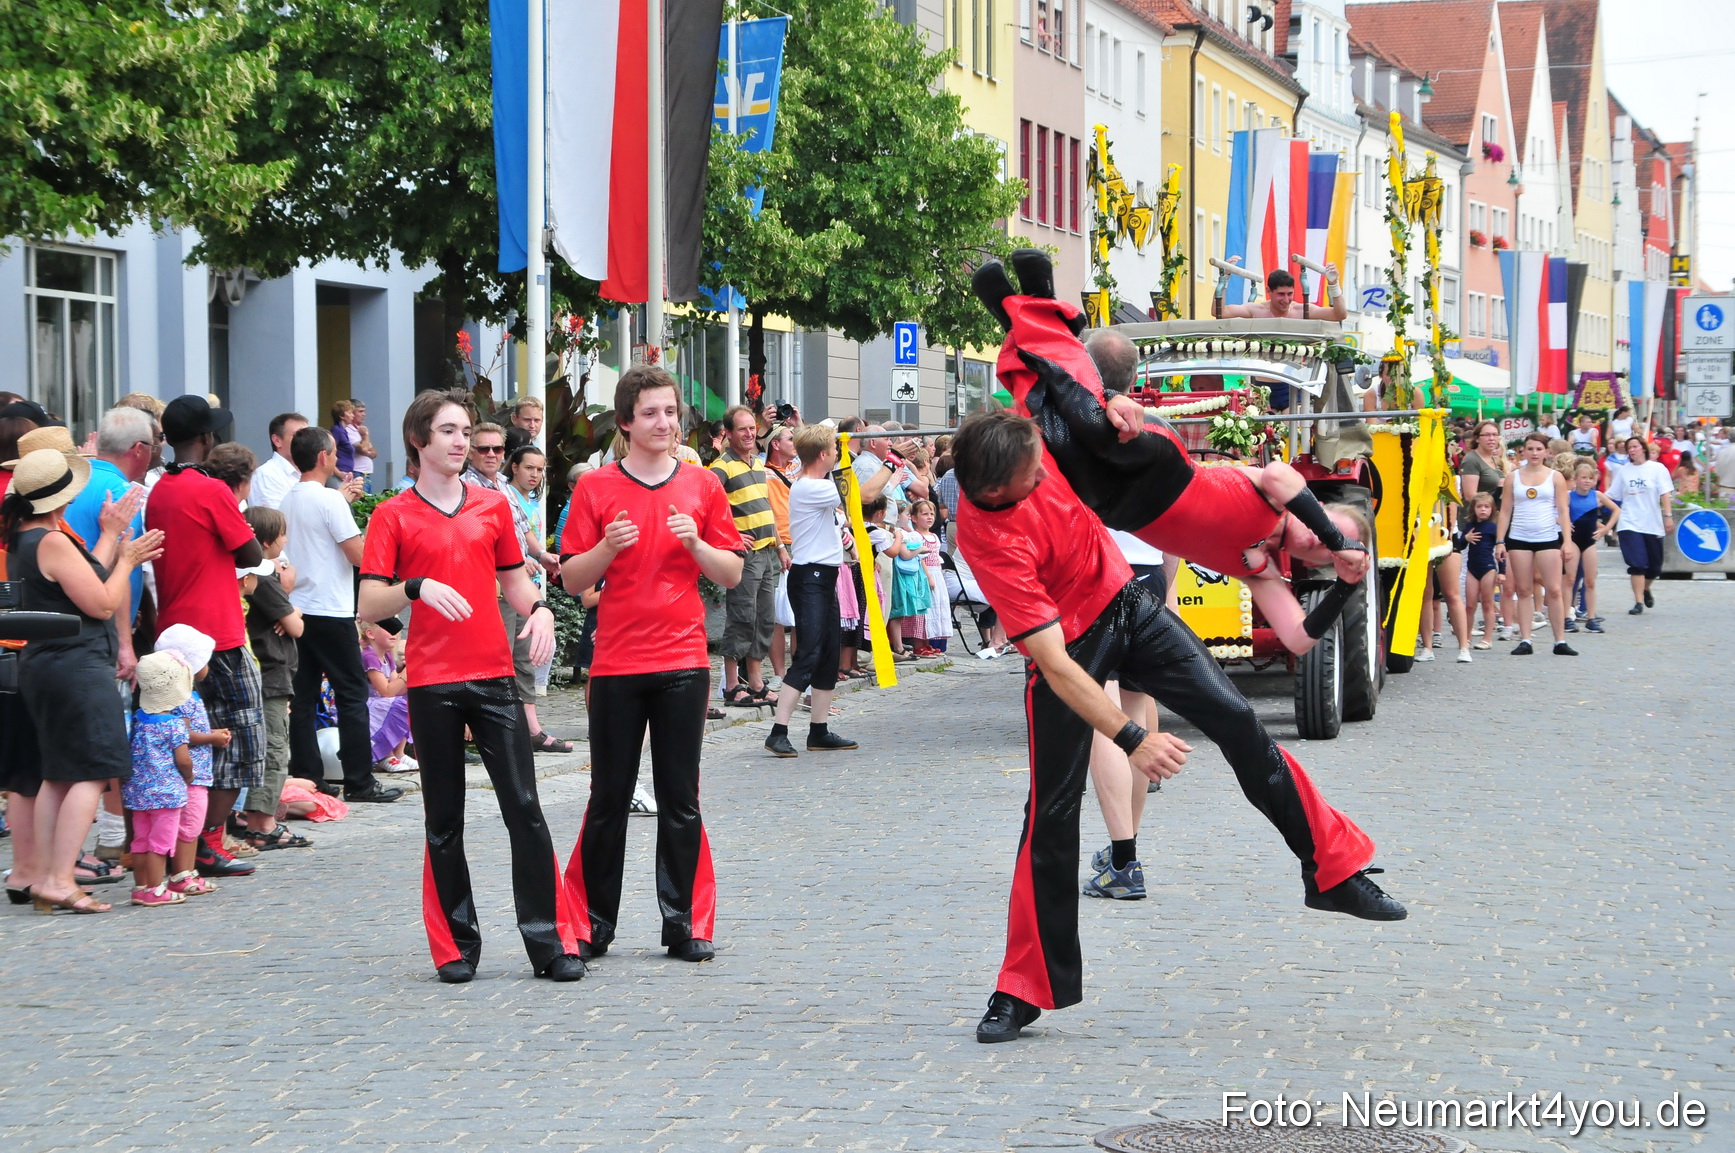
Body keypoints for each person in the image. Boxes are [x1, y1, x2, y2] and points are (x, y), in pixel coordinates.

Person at [949, 411, 1403, 1044]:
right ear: (997, 490)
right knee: (1049, 814)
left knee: (1242, 725)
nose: (1048, 477)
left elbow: (1066, 366)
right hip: (1070, 649)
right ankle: (1022, 987)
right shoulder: (990, 538)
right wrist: (1133, 737)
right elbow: (1052, 664)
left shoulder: (1031, 445)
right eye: (1035, 477)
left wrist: (1120, 407)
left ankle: (1331, 871)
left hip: (1129, 603)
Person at [970, 258, 1373, 657]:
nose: (1320, 543)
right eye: (1327, 531)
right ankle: (1035, 299)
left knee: (1053, 434)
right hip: (1160, 466)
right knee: (1088, 418)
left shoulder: (1260, 571)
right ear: (1320, 510)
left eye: (1323, 552)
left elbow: (1300, 640)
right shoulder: (1280, 497)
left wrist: (1345, 583)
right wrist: (1338, 542)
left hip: (1120, 508)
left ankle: (1019, 318)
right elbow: (1281, 477)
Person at [358, 388, 583, 984]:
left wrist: (540, 611)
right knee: (444, 818)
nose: (461, 443)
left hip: (492, 678)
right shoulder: (393, 515)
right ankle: (456, 945)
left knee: (525, 810)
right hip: (432, 682)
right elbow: (367, 601)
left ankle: (550, 942)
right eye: (449, 432)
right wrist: (415, 588)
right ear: (419, 441)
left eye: (466, 432)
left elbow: (516, 582)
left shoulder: (489, 507)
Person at [560, 365, 745, 963]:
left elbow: (732, 573)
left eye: (670, 411)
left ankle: (684, 923)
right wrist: (605, 549)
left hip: (684, 661)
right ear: (625, 423)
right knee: (608, 796)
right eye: (650, 413)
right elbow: (570, 578)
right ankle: (592, 924)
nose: (663, 422)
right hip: (616, 662)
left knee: (679, 796)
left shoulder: (703, 486)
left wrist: (696, 544)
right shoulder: (594, 488)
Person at [2, 448, 164, 914]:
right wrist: (129, 560)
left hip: (49, 665)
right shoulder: (51, 541)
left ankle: (51, 875)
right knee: (93, 772)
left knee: (57, 776)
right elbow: (98, 601)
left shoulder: (29, 537)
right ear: (63, 498)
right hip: (75, 665)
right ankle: (57, 878)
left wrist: (111, 535)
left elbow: (81, 579)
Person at [146, 394, 271, 875]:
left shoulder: (161, 489)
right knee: (240, 738)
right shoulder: (212, 490)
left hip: (173, 628)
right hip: (217, 632)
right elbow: (249, 552)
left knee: (190, 737)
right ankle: (207, 842)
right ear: (205, 438)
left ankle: (182, 842)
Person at [281, 426, 402, 804]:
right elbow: (358, 554)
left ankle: (308, 777)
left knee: (302, 697)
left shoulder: (287, 498)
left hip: (298, 609)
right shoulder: (330, 501)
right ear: (322, 457)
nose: (337, 458)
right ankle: (359, 780)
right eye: (334, 453)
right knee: (351, 694)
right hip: (330, 609)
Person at [464, 422, 569, 753]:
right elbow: (473, 542)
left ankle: (530, 729)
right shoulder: (465, 486)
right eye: (484, 448)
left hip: (519, 585)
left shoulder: (506, 489)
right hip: (491, 587)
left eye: (497, 449)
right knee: (497, 659)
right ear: (471, 451)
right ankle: (491, 733)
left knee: (523, 658)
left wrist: (541, 554)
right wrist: (510, 561)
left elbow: (522, 530)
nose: (491, 454)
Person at [764, 423, 858, 758]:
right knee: (809, 653)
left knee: (829, 653)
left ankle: (818, 730)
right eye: (833, 449)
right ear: (823, 455)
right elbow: (861, 494)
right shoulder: (809, 487)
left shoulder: (820, 483)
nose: (836, 454)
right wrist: (891, 463)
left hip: (825, 577)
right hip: (810, 578)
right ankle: (779, 730)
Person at [61, 407, 154, 685]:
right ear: (139, 449)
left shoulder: (74, 479)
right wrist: (125, 646)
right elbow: (119, 567)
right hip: (100, 625)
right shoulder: (123, 493)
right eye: (154, 444)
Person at [239, 505, 311, 848]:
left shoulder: (259, 578)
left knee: (270, 747)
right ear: (267, 540)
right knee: (274, 750)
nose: (286, 540)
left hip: (270, 677)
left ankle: (257, 818)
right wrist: (292, 604)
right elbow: (296, 626)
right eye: (282, 534)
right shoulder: (264, 580)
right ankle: (263, 825)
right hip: (271, 677)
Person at [151, 624, 239, 886]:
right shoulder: (181, 698)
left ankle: (184, 874)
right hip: (191, 776)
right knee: (189, 828)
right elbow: (183, 734)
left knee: (186, 827)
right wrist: (213, 737)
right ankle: (184, 875)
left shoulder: (175, 695)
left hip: (189, 775)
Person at [711, 405, 783, 707]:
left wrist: (779, 546)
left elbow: (766, 508)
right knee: (741, 616)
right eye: (742, 429)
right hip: (745, 555)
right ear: (728, 433)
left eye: (752, 428)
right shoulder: (721, 467)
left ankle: (755, 680)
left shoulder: (757, 464)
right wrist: (729, 537)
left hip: (767, 551)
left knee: (764, 618)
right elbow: (709, 510)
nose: (749, 433)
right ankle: (731, 684)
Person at [126, 651, 198, 907]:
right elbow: (183, 759)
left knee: (140, 840)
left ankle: (140, 887)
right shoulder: (175, 725)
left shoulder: (139, 720)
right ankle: (157, 889)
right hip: (167, 793)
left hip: (138, 792)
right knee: (160, 843)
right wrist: (189, 777)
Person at [1495, 433, 1577, 656]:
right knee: (1523, 590)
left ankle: (1559, 640)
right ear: (1524, 451)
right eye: (1530, 449)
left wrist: (1567, 542)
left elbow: (1562, 510)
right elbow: (1505, 511)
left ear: (1546, 452)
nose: (1534, 453)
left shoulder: (1555, 477)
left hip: (1547, 537)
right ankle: (1525, 639)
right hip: (1519, 537)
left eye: (1538, 449)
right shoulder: (1514, 477)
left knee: (1554, 589)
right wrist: (1500, 541)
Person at [1607, 436, 1674, 616]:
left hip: (1652, 523)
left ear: (1643, 448)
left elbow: (1665, 494)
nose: (1632, 450)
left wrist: (1668, 516)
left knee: (1654, 567)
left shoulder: (1657, 469)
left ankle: (1645, 589)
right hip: (1629, 522)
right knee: (1637, 564)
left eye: (1635, 446)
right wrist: (1592, 500)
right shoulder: (1624, 471)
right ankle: (1638, 602)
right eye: (1629, 447)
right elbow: (1612, 494)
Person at [1566, 460, 1619, 634]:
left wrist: (1605, 529)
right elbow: (1554, 511)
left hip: (1589, 542)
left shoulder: (1597, 496)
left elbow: (1616, 510)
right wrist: (1563, 522)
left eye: (1590, 478)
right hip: (1573, 540)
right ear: (1575, 479)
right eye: (1583, 478)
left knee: (1590, 580)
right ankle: (1567, 616)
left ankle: (1591, 617)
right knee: (1570, 579)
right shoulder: (1569, 496)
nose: (1587, 481)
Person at [763, 424, 798, 681]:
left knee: (800, 612)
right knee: (777, 614)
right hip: (780, 545)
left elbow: (817, 447)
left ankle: (797, 671)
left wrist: (797, 424)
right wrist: (780, 547)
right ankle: (778, 673)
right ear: (775, 444)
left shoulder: (797, 467)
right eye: (790, 438)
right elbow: (768, 513)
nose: (795, 441)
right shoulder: (764, 473)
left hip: (802, 543)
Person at [1211, 259, 1348, 322]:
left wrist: (1333, 284)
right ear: (1269, 291)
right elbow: (1219, 312)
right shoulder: (1257, 310)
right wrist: (1225, 278)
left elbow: (1339, 315)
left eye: (1290, 294)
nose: (1286, 300)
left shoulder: (1302, 311)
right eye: (1281, 294)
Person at [360, 621, 415, 772]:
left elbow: (397, 689)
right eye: (389, 629)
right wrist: (405, 673)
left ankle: (399, 753)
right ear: (371, 634)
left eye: (397, 631)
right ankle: (385, 754)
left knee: (410, 701)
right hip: (368, 702)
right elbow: (386, 691)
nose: (395, 633)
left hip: (381, 701)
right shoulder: (369, 656)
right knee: (395, 705)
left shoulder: (388, 657)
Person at [1456, 493, 1500, 651]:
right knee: (1470, 604)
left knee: (1488, 604)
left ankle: (1487, 638)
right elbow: (1459, 547)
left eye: (1486, 507)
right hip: (1472, 567)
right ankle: (1466, 637)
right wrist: (1465, 538)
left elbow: (1501, 551)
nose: (1483, 510)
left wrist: (1502, 571)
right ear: (1473, 509)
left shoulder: (1494, 528)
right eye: (1479, 506)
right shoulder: (1469, 526)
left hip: (1488, 567)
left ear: (1492, 509)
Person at [250, 413, 309, 509]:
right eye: (298, 435)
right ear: (277, 440)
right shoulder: (266, 474)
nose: (306, 441)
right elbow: (275, 521)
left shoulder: (308, 471)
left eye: (308, 436)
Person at [346, 399, 377, 491]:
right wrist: (365, 435)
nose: (364, 414)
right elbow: (363, 449)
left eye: (364, 411)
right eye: (360, 411)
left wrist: (367, 450)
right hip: (357, 473)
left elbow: (374, 453)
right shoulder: (348, 430)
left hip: (366, 474)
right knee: (362, 503)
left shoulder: (360, 429)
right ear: (352, 413)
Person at [329, 400, 358, 478]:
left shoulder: (343, 431)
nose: (353, 416)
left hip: (346, 473)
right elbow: (328, 452)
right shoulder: (337, 430)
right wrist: (338, 473)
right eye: (349, 413)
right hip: (338, 474)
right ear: (342, 416)